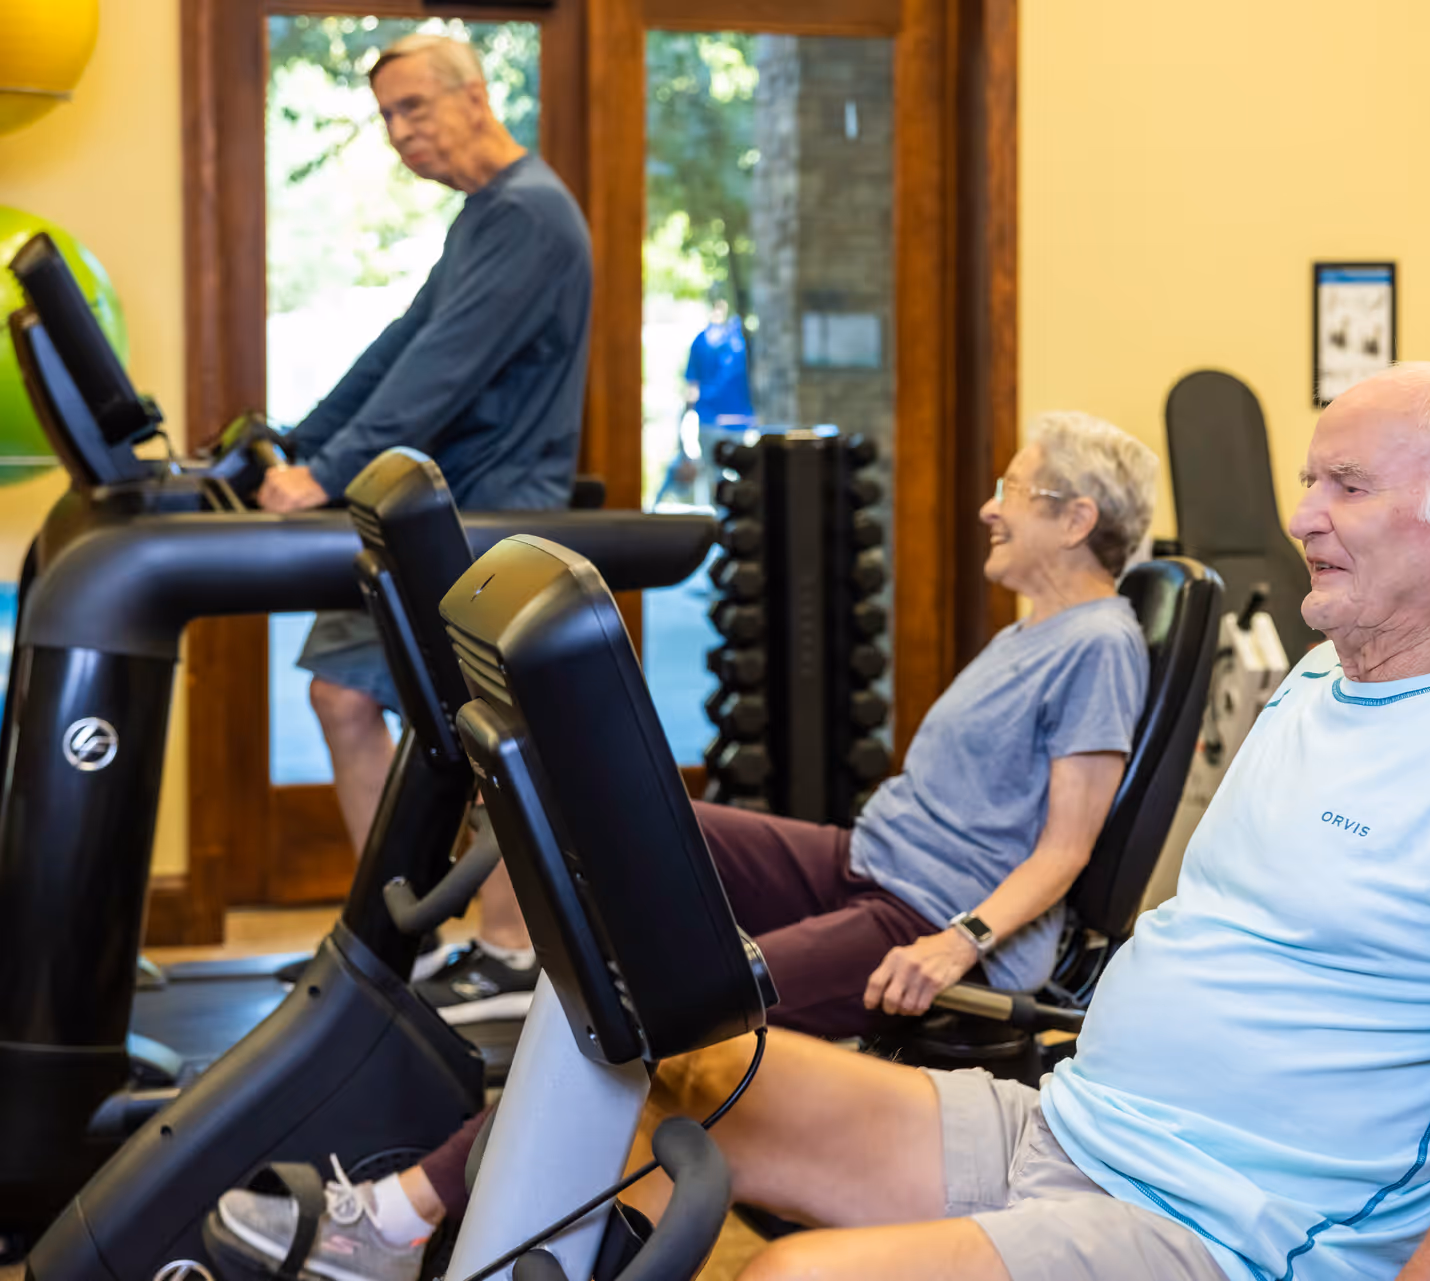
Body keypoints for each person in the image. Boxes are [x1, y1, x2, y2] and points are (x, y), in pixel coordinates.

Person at [598, 361, 1430, 1281]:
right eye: (1309, 480)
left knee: (798, 1280)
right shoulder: (1321, 681)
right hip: (1079, 1120)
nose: (1301, 515)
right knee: (693, 1078)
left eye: (1349, 486)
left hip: (1226, 1229)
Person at [212, 411, 1164, 1279]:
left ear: (1076, 520)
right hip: (868, 859)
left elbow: (1066, 848)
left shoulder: (1099, 645)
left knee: (659, 1017)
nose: (989, 508)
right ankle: (540, 1007)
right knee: (639, 827)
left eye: (1011, 491)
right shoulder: (1033, 631)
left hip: (923, 913)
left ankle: (396, 1218)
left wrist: (955, 941)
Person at [257, 34, 593, 1022]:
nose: (401, 134)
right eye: (388, 117)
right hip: (448, 511)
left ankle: (508, 944)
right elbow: (396, 347)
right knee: (348, 700)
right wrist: (296, 440)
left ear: (475, 95)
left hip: (491, 517)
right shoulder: (488, 217)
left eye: (414, 108)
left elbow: (441, 371)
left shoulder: (528, 217)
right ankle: (395, 937)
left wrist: (319, 473)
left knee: (477, 730)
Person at [656, 295, 755, 507]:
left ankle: (716, 530)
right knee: (740, 475)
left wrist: (683, 428)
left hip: (712, 421)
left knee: (714, 481)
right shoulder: (740, 340)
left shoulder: (702, 341)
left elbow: (692, 389)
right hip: (738, 419)